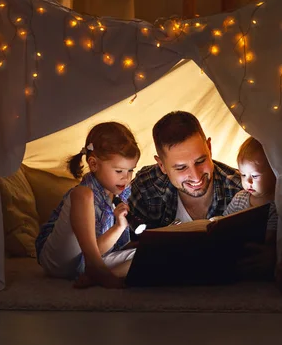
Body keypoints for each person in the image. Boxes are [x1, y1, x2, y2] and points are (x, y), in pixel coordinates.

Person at [35, 122, 140, 288]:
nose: (126, 178)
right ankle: (96, 269)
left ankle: (97, 276)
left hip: (91, 261)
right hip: (60, 259)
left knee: (149, 256)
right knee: (82, 194)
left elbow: (101, 250)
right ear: (93, 164)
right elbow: (90, 250)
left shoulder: (123, 195)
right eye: (119, 171)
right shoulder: (87, 191)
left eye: (131, 170)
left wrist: (120, 228)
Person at [128, 111, 242, 227]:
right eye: (181, 168)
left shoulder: (240, 189)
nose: (196, 177)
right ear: (162, 165)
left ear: (209, 148)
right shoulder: (145, 187)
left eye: (200, 161)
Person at [224, 137, 279, 279]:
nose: (248, 181)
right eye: (243, 175)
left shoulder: (277, 204)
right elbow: (223, 222)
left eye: (255, 175)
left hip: (259, 258)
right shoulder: (239, 199)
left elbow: (270, 238)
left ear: (274, 172)